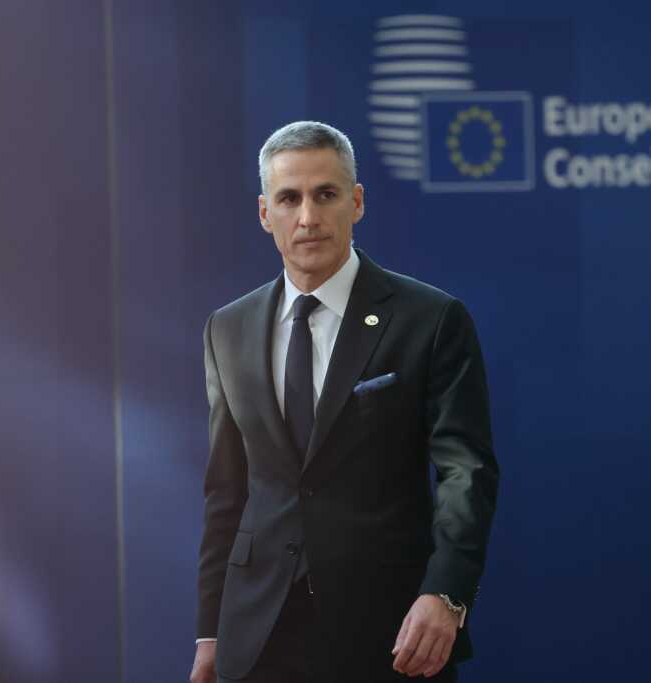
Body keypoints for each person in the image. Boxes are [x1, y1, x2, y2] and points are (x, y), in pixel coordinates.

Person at [189, 121, 499, 683]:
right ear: (265, 213)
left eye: (325, 194)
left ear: (356, 202)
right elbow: (226, 494)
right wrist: (210, 634)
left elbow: (466, 473)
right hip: (256, 638)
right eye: (289, 198)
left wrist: (446, 594)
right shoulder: (226, 329)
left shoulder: (430, 320)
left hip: (390, 633)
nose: (308, 217)